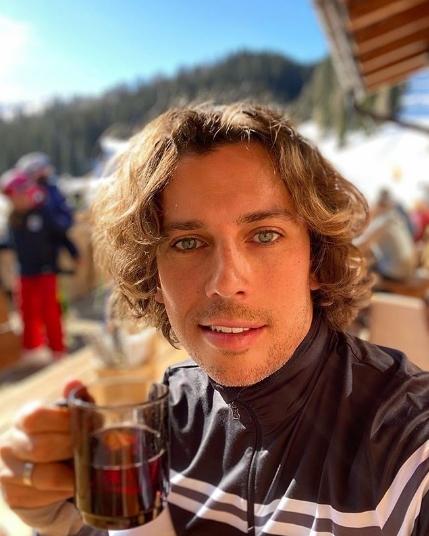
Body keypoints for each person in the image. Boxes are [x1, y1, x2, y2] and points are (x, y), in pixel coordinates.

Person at [1, 103, 429, 536]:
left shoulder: (407, 444)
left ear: (316, 260)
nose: (225, 282)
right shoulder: (160, 423)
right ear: (153, 275)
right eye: (188, 243)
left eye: (264, 235)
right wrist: (65, 522)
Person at [0, 169, 70, 358]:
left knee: (50, 311)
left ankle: (57, 348)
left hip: (45, 270)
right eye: (12, 198)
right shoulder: (13, 219)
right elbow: (10, 243)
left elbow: (60, 235)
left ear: (28, 193)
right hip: (24, 272)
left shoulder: (43, 213)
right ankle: (32, 347)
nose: (16, 201)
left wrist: (73, 252)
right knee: (26, 311)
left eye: (18, 196)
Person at [16, 152, 79, 270]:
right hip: (33, 253)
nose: (46, 171)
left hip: (51, 248)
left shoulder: (51, 189)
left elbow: (63, 218)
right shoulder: (27, 193)